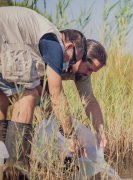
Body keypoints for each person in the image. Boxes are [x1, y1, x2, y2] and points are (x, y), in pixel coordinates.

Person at [0, 6, 93, 177]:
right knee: (27, 96)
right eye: (72, 59)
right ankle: (15, 172)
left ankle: (2, 160)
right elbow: (56, 94)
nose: (68, 64)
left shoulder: (39, 34)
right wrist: (70, 135)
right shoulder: (54, 42)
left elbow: (48, 98)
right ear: (69, 46)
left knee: (2, 98)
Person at [41, 39, 108, 150]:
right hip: (28, 76)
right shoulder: (59, 54)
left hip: (44, 82)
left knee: (56, 118)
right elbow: (56, 95)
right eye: (89, 69)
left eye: (92, 72)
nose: (88, 74)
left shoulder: (83, 72)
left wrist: (100, 131)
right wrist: (69, 135)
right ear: (80, 56)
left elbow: (89, 100)